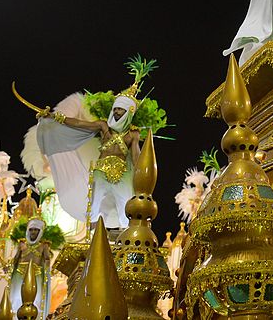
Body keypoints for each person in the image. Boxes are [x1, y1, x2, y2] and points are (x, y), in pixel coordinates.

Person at [16, 55, 166, 231]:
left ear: (130, 112)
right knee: (93, 210)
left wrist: (141, 181)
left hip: (123, 175)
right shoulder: (103, 126)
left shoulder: (132, 134)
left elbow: (136, 158)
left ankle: (127, 243)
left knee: (127, 211)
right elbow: (79, 124)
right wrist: (56, 117)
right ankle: (92, 242)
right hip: (101, 172)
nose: (117, 113)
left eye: (121, 110)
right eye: (116, 109)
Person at [7, 217, 53, 317]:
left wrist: (47, 268)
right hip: (20, 274)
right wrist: (9, 267)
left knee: (36, 300)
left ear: (40, 231)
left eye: (36, 230)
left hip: (36, 275)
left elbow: (47, 259)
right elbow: (16, 259)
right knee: (16, 299)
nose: (33, 232)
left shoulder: (44, 245)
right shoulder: (22, 244)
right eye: (31, 229)